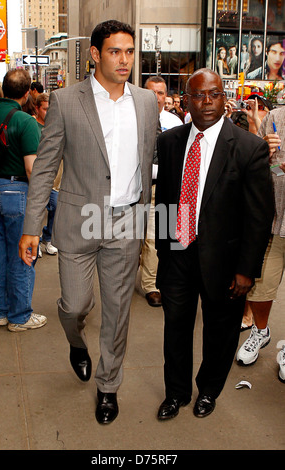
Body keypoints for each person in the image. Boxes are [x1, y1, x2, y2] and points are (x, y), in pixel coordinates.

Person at [19, 20, 159, 425]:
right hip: (80, 221)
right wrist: (32, 227)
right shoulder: (66, 100)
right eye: (115, 51)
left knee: (117, 313)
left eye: (130, 52)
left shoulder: (147, 103)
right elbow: (45, 168)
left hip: (126, 221)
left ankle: (108, 386)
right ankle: (75, 342)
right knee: (75, 304)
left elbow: (150, 158)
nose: (124, 60)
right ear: (95, 54)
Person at [155, 68, 274, 420]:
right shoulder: (170, 142)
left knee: (220, 332)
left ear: (225, 98)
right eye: (199, 95)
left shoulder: (249, 148)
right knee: (175, 329)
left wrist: (246, 270)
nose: (207, 102)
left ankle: (208, 390)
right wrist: (164, 251)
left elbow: (259, 216)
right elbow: (164, 202)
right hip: (177, 256)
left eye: (215, 94)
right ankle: (176, 393)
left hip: (225, 264)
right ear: (186, 100)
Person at [0, 69, 47, 332]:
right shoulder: (26, 121)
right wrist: (39, 204)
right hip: (15, 190)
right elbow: (32, 168)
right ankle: (20, 316)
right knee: (24, 252)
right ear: (26, 94)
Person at [236, 105, 285, 382]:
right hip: (275, 220)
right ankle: (260, 332)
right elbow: (267, 168)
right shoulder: (275, 118)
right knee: (260, 286)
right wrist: (266, 153)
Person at [141, 76, 182, 308]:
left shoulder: (174, 122)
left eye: (161, 93)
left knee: (156, 237)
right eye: (153, 92)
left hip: (164, 188)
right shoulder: (133, 119)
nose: (158, 98)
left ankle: (151, 285)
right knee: (138, 239)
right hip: (137, 188)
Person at [35, 93, 60, 257]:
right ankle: (35, 240)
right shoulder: (32, 125)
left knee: (56, 207)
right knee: (37, 209)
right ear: (37, 109)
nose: (48, 112)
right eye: (45, 109)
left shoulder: (56, 125)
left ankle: (48, 238)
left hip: (55, 181)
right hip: (37, 179)